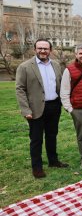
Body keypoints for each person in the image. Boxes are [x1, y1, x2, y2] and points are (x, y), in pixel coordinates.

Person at [16, 39, 68, 178]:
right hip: (35, 108)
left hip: (54, 106)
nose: (43, 51)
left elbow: (61, 85)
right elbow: (20, 89)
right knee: (36, 139)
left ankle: (53, 161)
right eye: (40, 48)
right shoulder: (25, 67)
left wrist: (64, 102)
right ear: (35, 49)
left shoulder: (56, 65)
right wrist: (25, 110)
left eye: (45, 48)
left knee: (52, 136)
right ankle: (37, 167)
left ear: (50, 50)